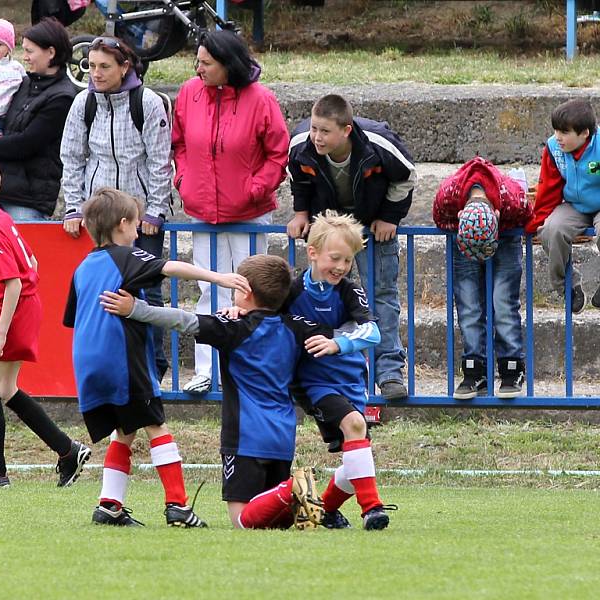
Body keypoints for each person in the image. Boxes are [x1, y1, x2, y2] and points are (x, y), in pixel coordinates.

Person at [100, 254, 343, 530]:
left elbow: (183, 320)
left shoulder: (234, 328)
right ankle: (291, 497)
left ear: (246, 292)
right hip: (283, 437)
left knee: (241, 520)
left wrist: (135, 309)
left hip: (245, 439)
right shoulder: (296, 327)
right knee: (273, 523)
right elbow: (334, 330)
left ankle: (290, 491)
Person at [63, 187, 250, 528]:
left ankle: (109, 505)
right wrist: (218, 277)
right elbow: (172, 267)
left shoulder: (83, 268)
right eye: (135, 224)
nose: (138, 231)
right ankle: (177, 505)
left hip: (87, 361)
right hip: (121, 358)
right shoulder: (126, 256)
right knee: (156, 425)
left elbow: (74, 319)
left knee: (126, 427)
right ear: (123, 225)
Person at [0, 160, 91, 488]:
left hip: (12, 311)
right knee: (4, 389)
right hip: (25, 308)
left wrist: (0, 333)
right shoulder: (2, 219)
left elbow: (13, 282)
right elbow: (32, 261)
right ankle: (67, 450)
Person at [172, 29, 289, 395]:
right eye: (198, 61)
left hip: (249, 214)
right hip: (202, 211)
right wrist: (184, 178)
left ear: (227, 64)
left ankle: (253, 368)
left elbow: (277, 152)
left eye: (206, 63)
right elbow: (178, 143)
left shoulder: (261, 99)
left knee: (255, 291)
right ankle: (206, 370)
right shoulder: (189, 93)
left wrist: (256, 188)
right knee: (208, 289)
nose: (198, 68)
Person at [287, 93, 417, 402]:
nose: (316, 137)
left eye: (325, 131)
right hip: (328, 226)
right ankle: (318, 369)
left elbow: (407, 176)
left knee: (382, 295)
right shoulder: (300, 145)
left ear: (346, 130)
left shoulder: (378, 143)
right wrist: (301, 213)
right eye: (314, 128)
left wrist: (389, 216)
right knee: (318, 295)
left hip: (373, 225)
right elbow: (298, 180)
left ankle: (389, 372)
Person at [61, 35, 172, 379]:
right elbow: (72, 157)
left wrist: (154, 210)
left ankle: (155, 367)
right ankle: (116, 366)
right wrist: (74, 207)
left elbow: (159, 160)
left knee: (149, 291)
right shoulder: (83, 103)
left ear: (125, 67)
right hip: (101, 216)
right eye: (91, 65)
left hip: (140, 218)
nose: (95, 73)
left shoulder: (149, 102)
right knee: (105, 291)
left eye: (104, 66)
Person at [283, 210, 393, 530]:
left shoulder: (348, 290)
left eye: (347, 261)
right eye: (335, 258)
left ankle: (326, 509)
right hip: (315, 383)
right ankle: (372, 508)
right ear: (313, 253)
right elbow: (264, 313)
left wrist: (337, 343)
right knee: (355, 425)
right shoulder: (291, 291)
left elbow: (372, 332)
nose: (341, 267)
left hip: (351, 380)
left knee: (354, 453)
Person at [434, 157, 533, 399]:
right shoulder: (446, 197)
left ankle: (512, 367)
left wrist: (500, 231)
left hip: (505, 235)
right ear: (458, 213)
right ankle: (474, 369)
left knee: (502, 301)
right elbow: (439, 219)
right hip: (463, 237)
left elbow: (529, 216)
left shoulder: (513, 200)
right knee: (468, 304)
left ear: (498, 213)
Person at [0, 17, 78, 222]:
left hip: (27, 199)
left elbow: (25, 144)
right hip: (0, 191)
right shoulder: (25, 83)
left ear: (51, 53)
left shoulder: (62, 98)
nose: (25, 57)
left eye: (30, 51)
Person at [527, 98, 600, 314]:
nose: (558, 137)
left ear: (584, 133)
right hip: (574, 204)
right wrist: (536, 222)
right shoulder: (553, 148)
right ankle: (568, 285)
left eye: (564, 132)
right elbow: (548, 187)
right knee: (551, 230)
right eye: (556, 131)